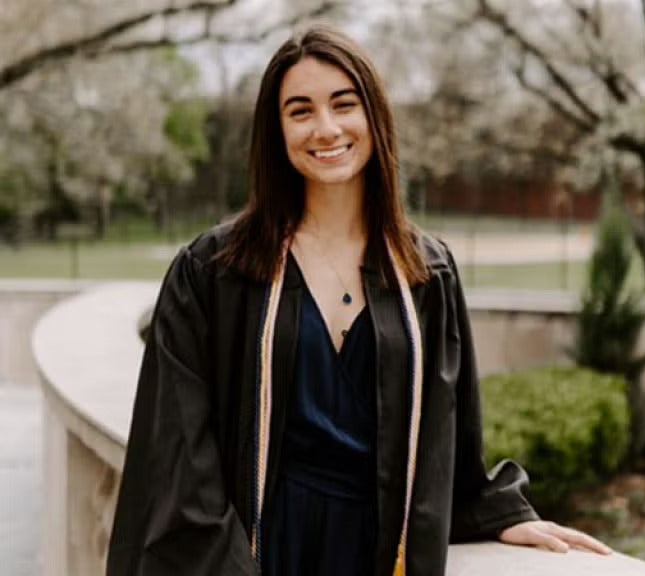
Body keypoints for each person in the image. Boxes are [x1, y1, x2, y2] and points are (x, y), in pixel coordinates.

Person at [106, 24, 610, 576]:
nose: (326, 128)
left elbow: (453, 437)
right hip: (258, 550)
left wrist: (497, 510)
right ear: (276, 131)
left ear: (375, 117)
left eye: (343, 105)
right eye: (300, 111)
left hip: (375, 552)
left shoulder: (426, 272)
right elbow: (178, 451)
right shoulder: (215, 272)